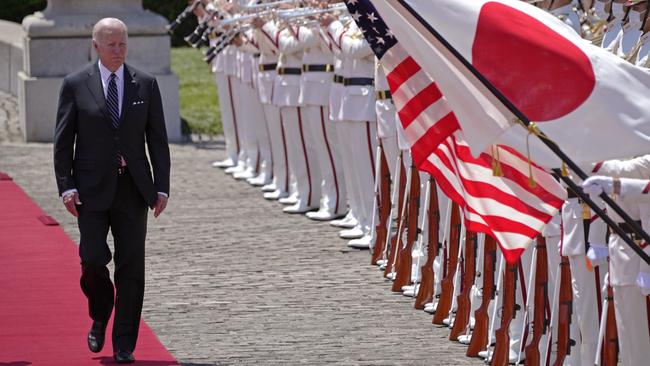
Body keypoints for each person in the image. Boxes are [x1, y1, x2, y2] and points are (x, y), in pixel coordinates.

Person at [53, 18, 170, 364]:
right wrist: (65, 186)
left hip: (133, 188)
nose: (118, 50)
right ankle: (101, 311)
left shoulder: (145, 84)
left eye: (123, 44)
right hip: (90, 188)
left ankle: (124, 343)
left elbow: (158, 140)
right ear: (96, 46)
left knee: (131, 267)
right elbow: (63, 142)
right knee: (91, 259)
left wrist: (161, 187)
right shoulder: (76, 84)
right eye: (111, 45)